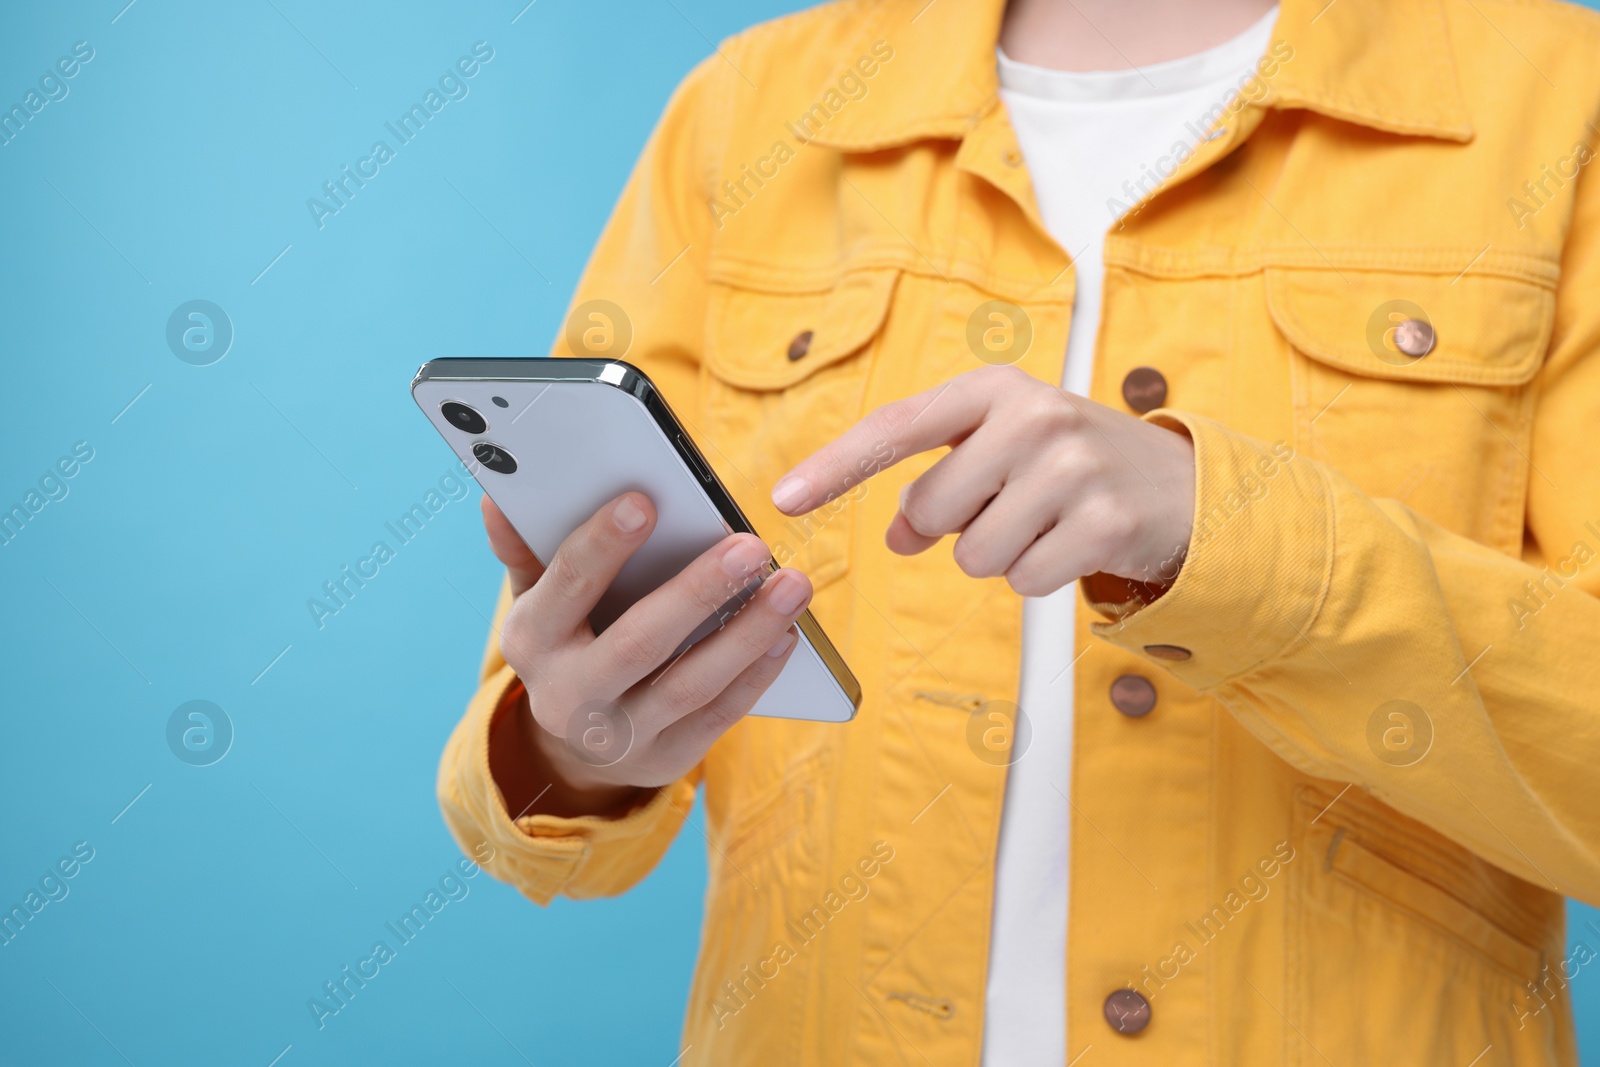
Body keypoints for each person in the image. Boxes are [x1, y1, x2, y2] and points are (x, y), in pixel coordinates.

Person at [437, 0, 1600, 1061]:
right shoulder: (747, 115)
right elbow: (527, 794)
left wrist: (1227, 536)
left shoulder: (1560, 102)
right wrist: (584, 748)